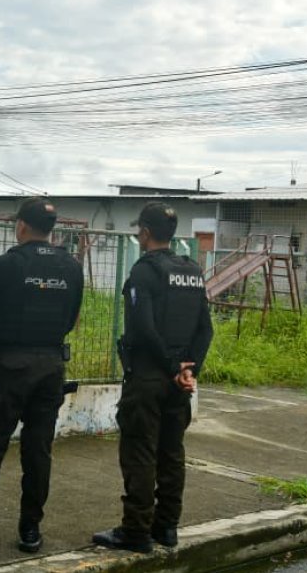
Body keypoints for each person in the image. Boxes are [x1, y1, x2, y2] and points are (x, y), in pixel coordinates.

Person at [0, 198, 84, 555]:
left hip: (9, 366)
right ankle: (30, 531)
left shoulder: (7, 263)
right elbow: (71, 318)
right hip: (51, 368)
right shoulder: (72, 266)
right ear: (51, 228)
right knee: (38, 452)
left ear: (21, 225)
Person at [93, 202, 213, 553]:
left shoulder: (144, 271)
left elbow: (143, 328)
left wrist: (172, 367)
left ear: (145, 232)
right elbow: (205, 330)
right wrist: (189, 371)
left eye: (138, 230)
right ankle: (167, 527)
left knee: (141, 454)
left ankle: (135, 531)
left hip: (148, 378)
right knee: (172, 454)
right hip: (179, 383)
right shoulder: (192, 271)